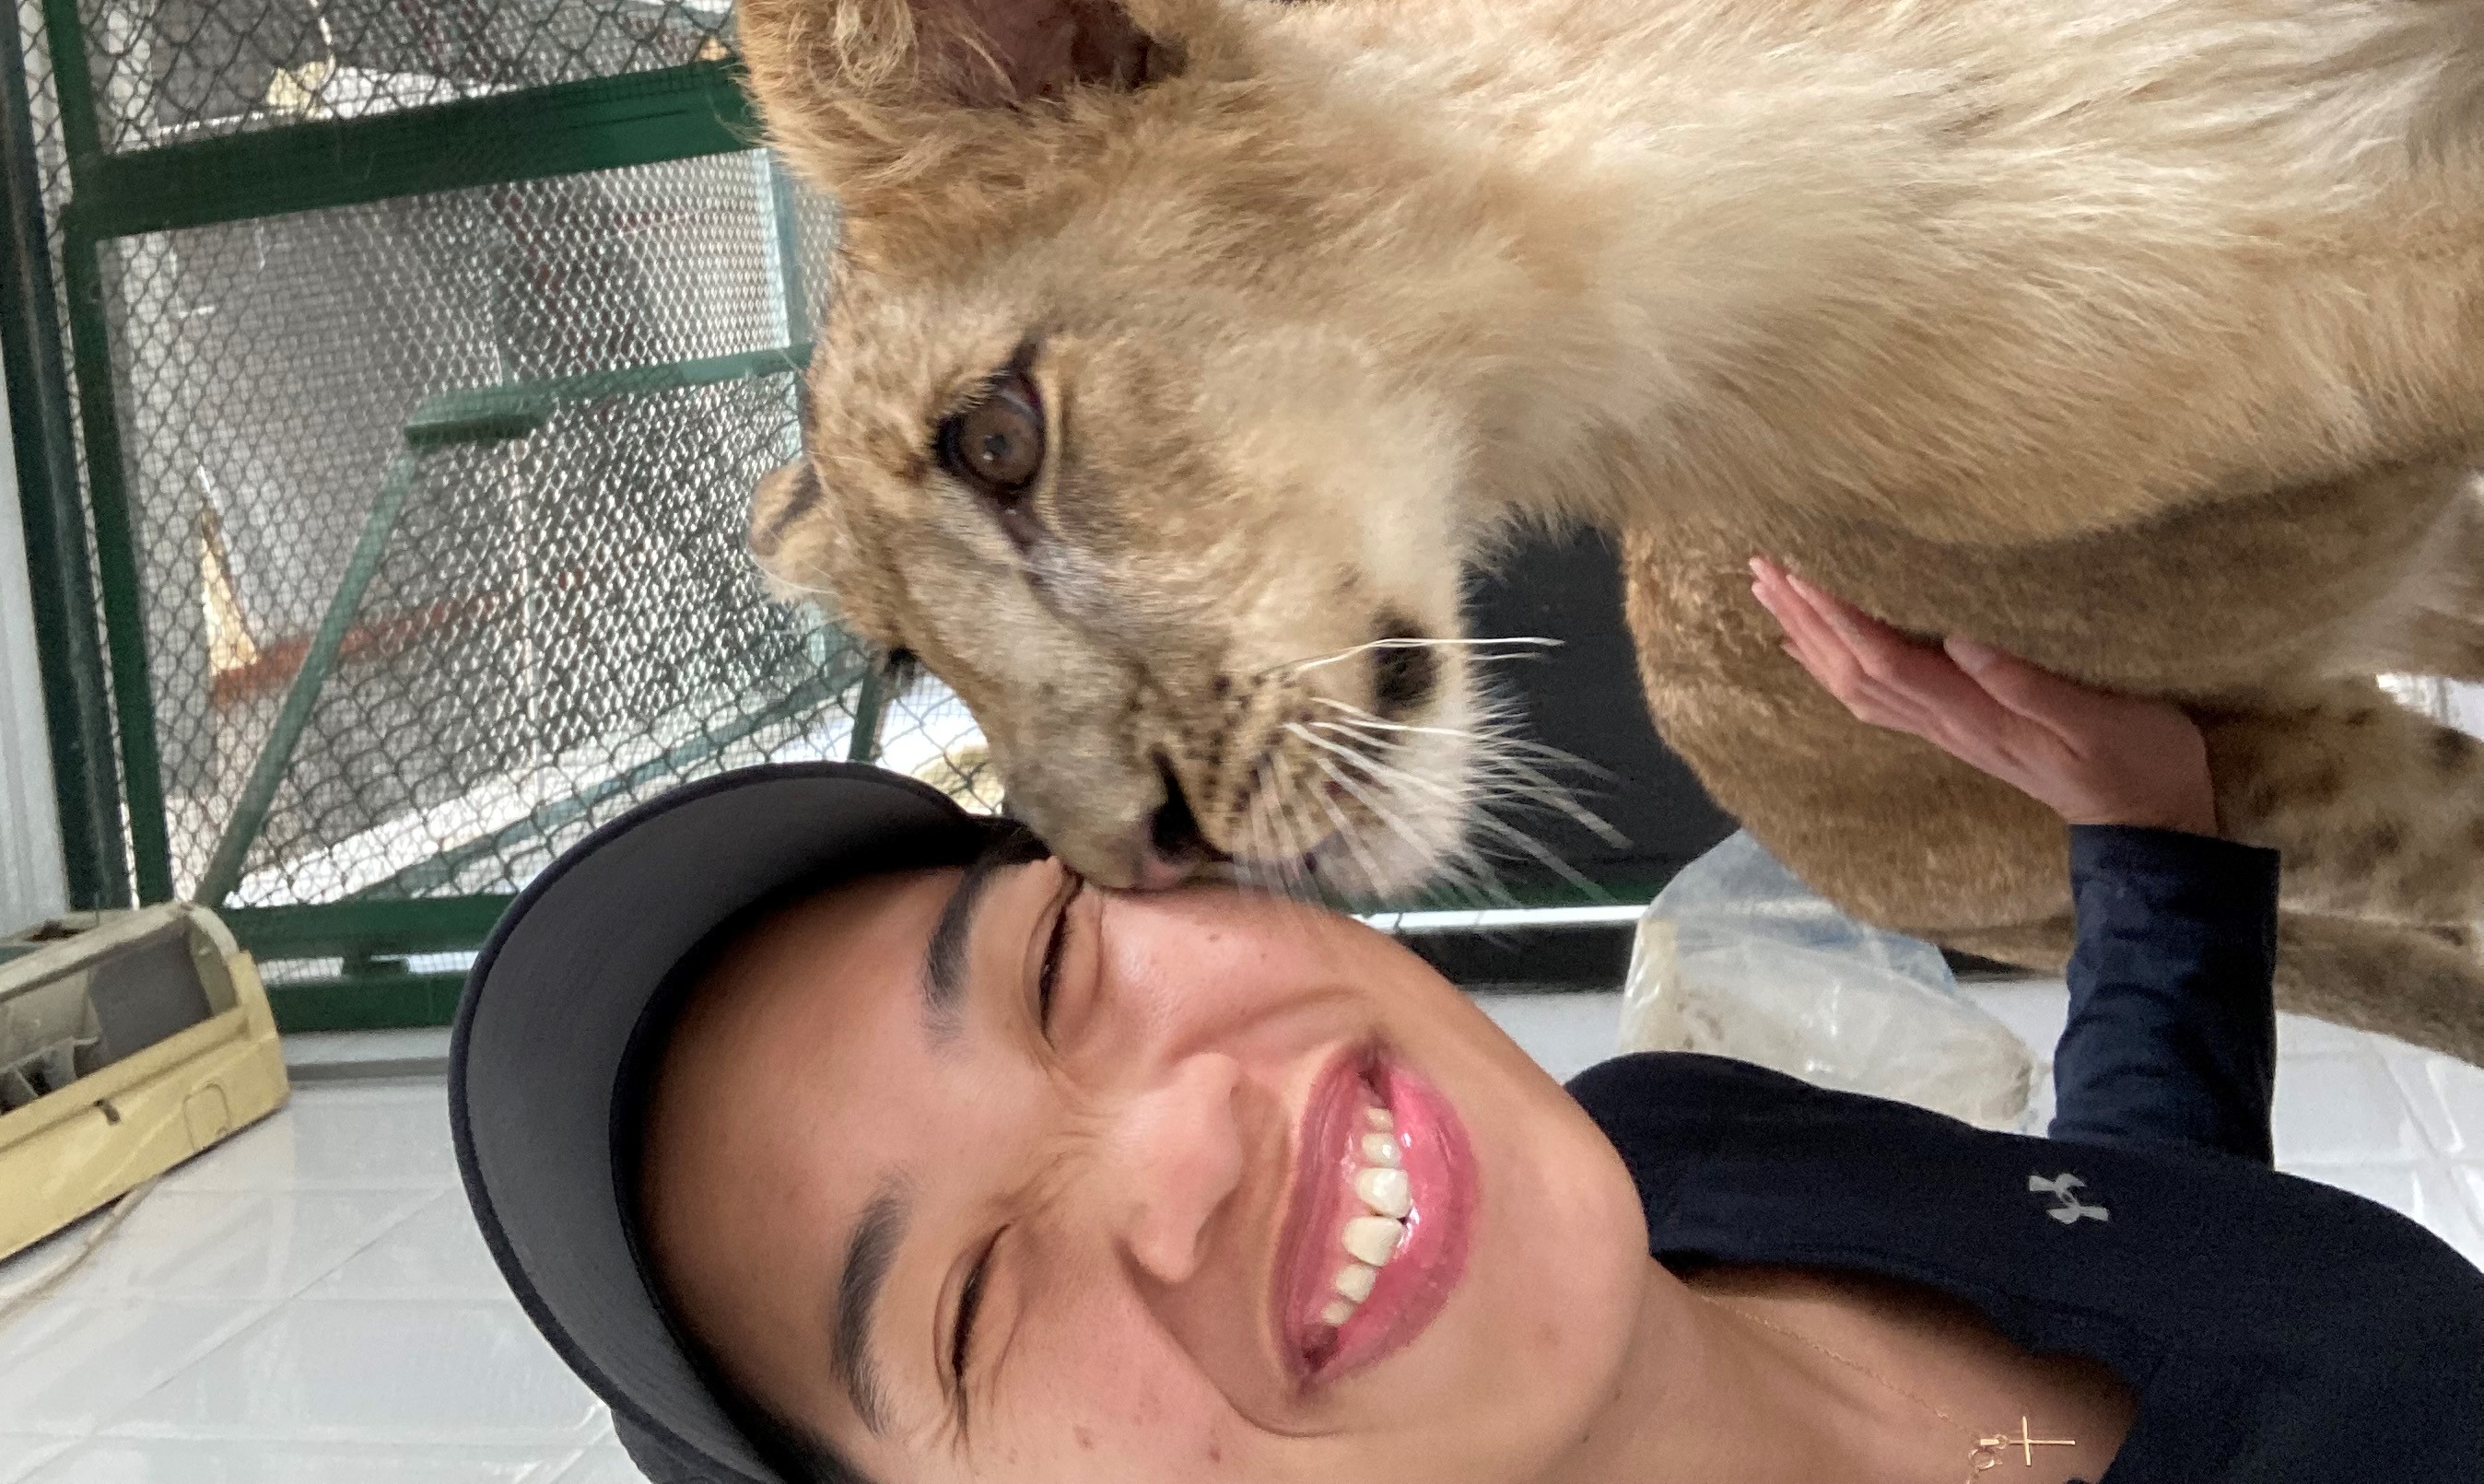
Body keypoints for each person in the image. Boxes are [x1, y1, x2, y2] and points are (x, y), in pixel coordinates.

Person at [450, 566, 2484, 1484]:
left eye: (1051, 968)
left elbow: (2138, 1249)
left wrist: (2150, 859)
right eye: (972, 1309)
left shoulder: (1672, 1146)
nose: (1184, 1147)